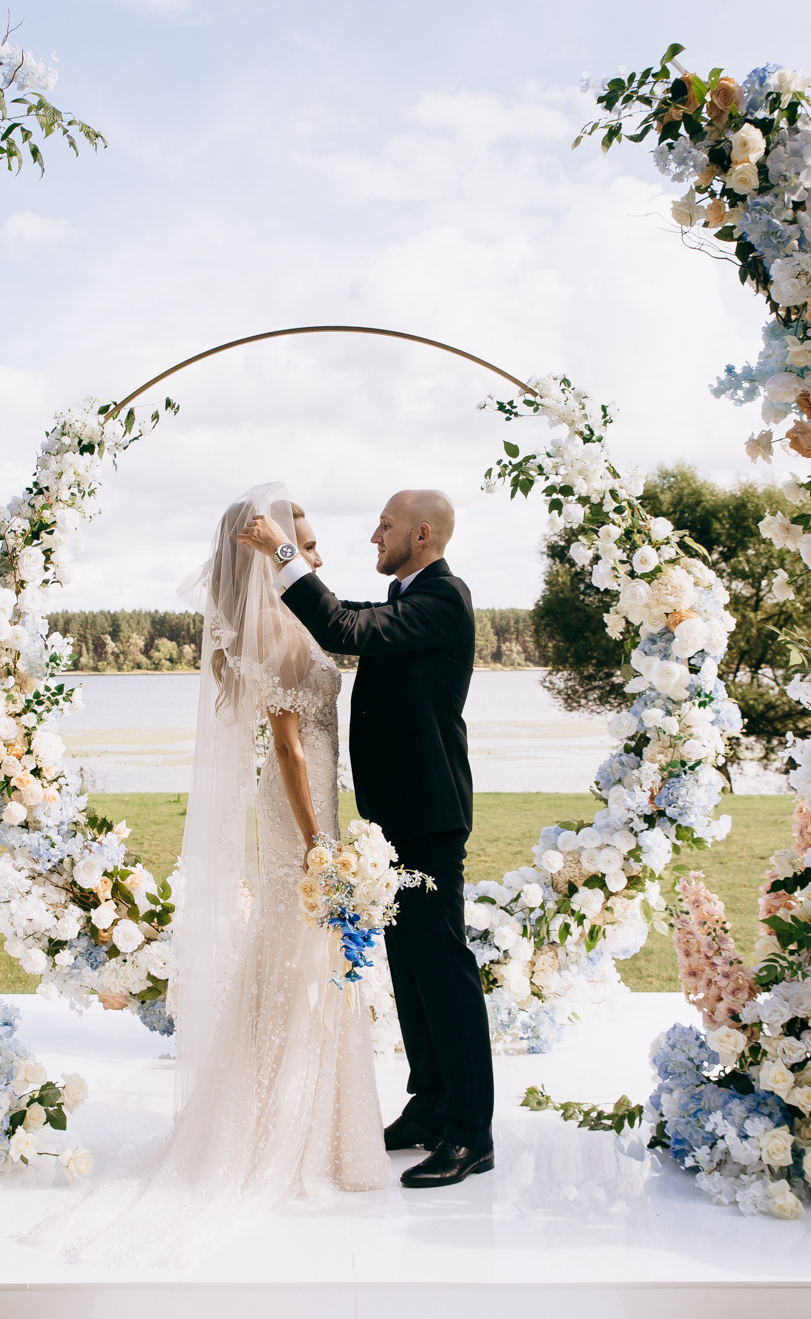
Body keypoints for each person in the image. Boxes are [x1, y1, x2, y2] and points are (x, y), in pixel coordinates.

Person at [27, 483, 383, 1267]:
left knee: (301, 949)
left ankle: (303, 1114)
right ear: (265, 549)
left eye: (314, 544)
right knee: (301, 946)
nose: (317, 555)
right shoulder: (279, 632)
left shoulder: (280, 619)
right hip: (301, 804)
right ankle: (282, 1126)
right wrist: (321, 840)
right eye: (306, 541)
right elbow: (289, 746)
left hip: (310, 791)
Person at [236, 488, 492, 1189]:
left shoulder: (443, 596)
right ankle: (430, 1103)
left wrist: (281, 554)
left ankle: (471, 1131)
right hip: (392, 818)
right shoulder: (408, 595)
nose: (372, 535)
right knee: (409, 968)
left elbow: (344, 629)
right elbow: (344, 617)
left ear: (423, 531)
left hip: (430, 815)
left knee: (441, 965)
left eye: (384, 525)